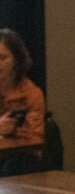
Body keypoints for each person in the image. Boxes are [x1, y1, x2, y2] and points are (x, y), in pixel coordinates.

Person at [0, 28, 46, 175]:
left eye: (2, 57)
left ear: (16, 60)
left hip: (17, 162)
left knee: (16, 164)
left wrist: (20, 134)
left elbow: (36, 145)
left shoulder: (31, 94)